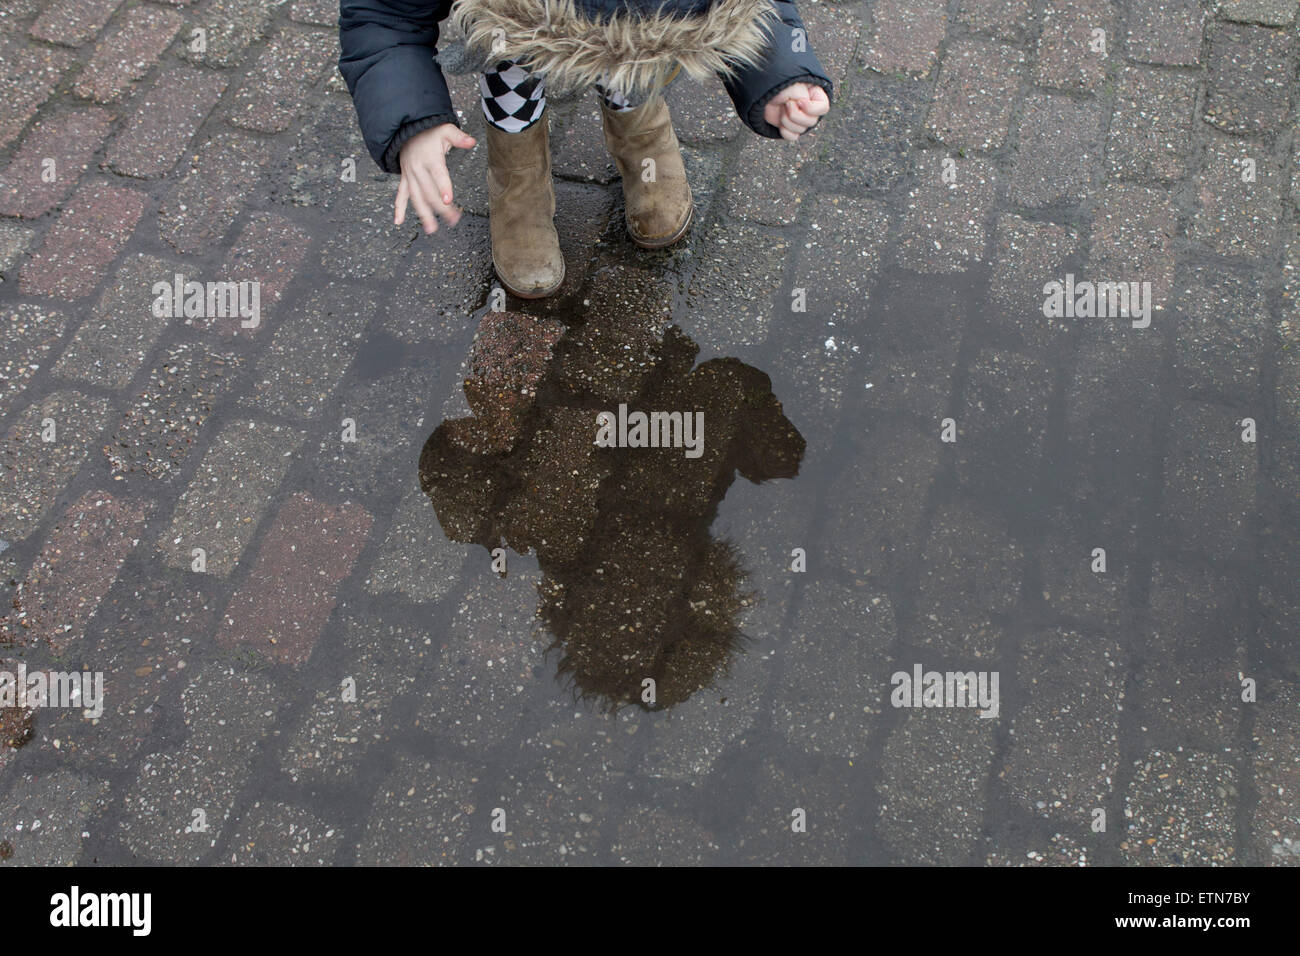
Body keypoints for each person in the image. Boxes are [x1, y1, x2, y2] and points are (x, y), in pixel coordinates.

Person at [339, 0, 832, 298]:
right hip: (520, 18)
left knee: (635, 52)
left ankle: (639, 126)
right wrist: (412, 121)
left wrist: (777, 73)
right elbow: (386, 15)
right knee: (512, 48)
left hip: (645, 20)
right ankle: (519, 175)